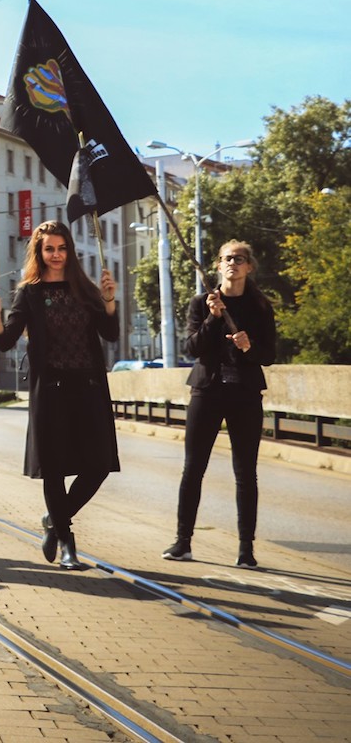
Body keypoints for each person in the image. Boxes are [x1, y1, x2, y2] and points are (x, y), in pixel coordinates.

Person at [0, 219, 119, 571]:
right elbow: (5, 340)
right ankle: (67, 543)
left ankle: (54, 519)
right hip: (51, 389)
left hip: (88, 386)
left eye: (62, 248)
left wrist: (109, 301)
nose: (56, 255)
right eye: (49, 249)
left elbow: (110, 333)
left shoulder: (86, 289)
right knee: (55, 469)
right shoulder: (29, 292)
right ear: (39, 253)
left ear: (69, 251)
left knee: (100, 464)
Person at [163, 240, 278, 568]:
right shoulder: (203, 302)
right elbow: (192, 348)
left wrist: (249, 346)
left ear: (249, 267)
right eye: (227, 259)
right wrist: (213, 319)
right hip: (207, 392)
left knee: (246, 473)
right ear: (218, 265)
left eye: (239, 259)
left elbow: (269, 355)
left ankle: (246, 550)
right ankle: (183, 542)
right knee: (193, 468)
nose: (233, 264)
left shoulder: (260, 306)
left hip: (245, 393)